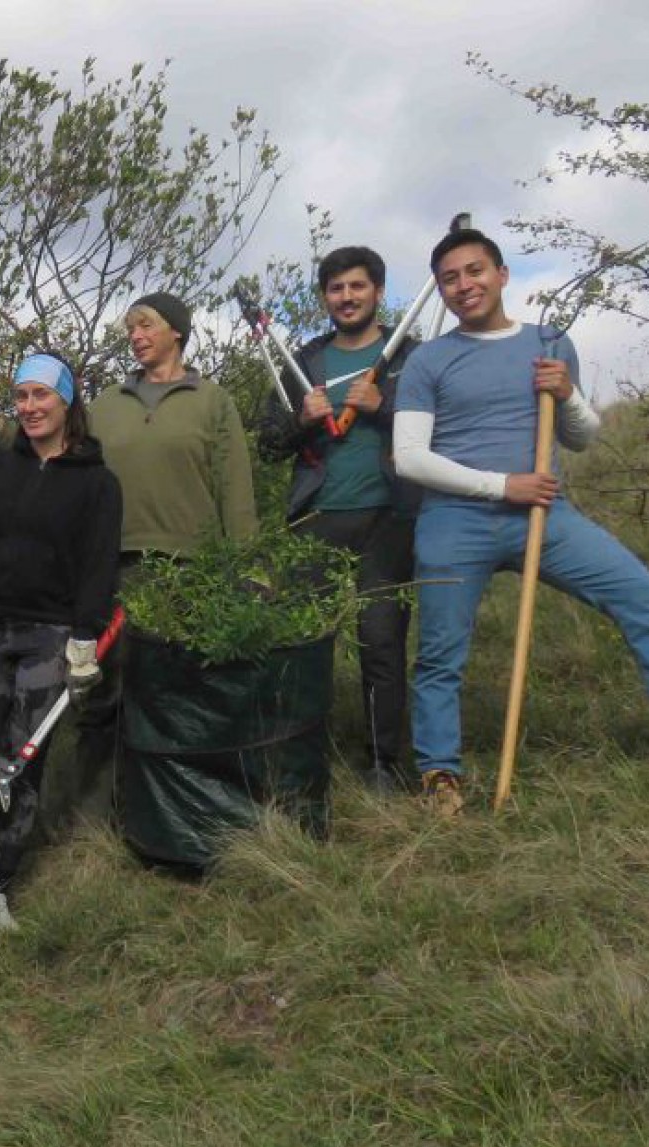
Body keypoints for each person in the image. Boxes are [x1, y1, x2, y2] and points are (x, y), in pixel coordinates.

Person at [393, 227, 649, 816]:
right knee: (442, 652)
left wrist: (566, 393)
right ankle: (440, 775)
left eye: (475, 271)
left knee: (642, 593)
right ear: (441, 288)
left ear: (501, 273)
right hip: (455, 521)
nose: (464, 285)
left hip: (545, 514)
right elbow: (409, 457)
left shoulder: (549, 342)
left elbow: (584, 436)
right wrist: (502, 484)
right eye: (450, 278)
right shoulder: (428, 359)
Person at [0, 352, 121, 933]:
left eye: (42, 395)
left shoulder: (98, 483)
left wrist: (85, 641)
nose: (31, 407)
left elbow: (99, 566)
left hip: (51, 635)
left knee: (23, 762)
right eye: (22, 397)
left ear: (68, 401)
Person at [76, 294, 258, 823]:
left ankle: (173, 816)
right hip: (112, 566)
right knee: (103, 695)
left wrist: (245, 564)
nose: (135, 335)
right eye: (130, 328)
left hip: (190, 568)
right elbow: (63, 446)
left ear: (176, 331)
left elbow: (235, 488)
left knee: (177, 697)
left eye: (146, 325)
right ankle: (92, 822)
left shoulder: (212, 401)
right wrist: (3, 424)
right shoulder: (107, 404)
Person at [257, 247, 422, 792]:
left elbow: (440, 430)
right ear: (324, 296)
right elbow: (270, 443)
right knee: (306, 643)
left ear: (377, 291)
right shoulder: (305, 362)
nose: (346, 297)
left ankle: (383, 763)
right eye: (335, 288)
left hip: (388, 517)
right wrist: (303, 421)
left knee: (381, 641)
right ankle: (302, 758)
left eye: (357, 286)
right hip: (317, 518)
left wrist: (385, 405)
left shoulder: (407, 356)